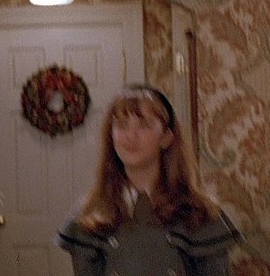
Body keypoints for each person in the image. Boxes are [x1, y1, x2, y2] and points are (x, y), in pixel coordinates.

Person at [56, 85, 241, 276]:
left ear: (166, 137)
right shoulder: (91, 214)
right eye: (122, 125)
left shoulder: (199, 213)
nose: (130, 136)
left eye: (144, 125)